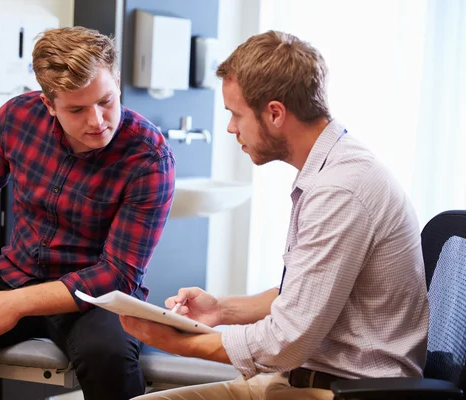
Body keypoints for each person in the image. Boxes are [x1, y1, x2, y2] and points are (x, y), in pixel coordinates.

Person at [120, 30, 429, 400]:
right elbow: (301, 297)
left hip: (346, 391)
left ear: (275, 113)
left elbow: (286, 341)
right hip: (303, 379)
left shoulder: (340, 189)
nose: (231, 128)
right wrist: (221, 310)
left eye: (236, 114)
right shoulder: (329, 168)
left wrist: (178, 342)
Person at [0, 26, 176, 400]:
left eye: (106, 101)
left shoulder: (149, 157)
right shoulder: (18, 117)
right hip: (17, 273)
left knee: (107, 356)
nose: (97, 121)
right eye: (76, 109)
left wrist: (14, 304)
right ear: (48, 103)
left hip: (95, 296)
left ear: (118, 83)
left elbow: (118, 273)